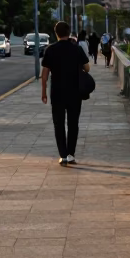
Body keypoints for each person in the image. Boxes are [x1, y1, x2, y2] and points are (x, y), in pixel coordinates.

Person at [40, 20, 90, 165]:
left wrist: (43, 93)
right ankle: (71, 154)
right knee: (73, 123)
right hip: (75, 93)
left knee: (59, 123)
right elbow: (87, 68)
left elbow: (44, 75)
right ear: (69, 33)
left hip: (57, 93)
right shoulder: (77, 49)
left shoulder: (50, 50)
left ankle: (63, 155)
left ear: (56, 33)